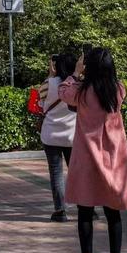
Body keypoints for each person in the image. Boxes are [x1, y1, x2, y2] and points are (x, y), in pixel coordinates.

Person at [58, 47, 127, 253]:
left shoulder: (81, 92)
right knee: (113, 214)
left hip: (87, 161)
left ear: (89, 67)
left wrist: (75, 72)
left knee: (85, 212)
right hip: (114, 161)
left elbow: (64, 92)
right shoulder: (119, 89)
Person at [39, 51, 77, 221]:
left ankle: (60, 211)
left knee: (56, 172)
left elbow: (41, 104)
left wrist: (50, 75)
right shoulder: (78, 84)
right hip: (73, 135)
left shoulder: (49, 83)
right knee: (76, 172)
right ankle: (87, 207)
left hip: (51, 135)